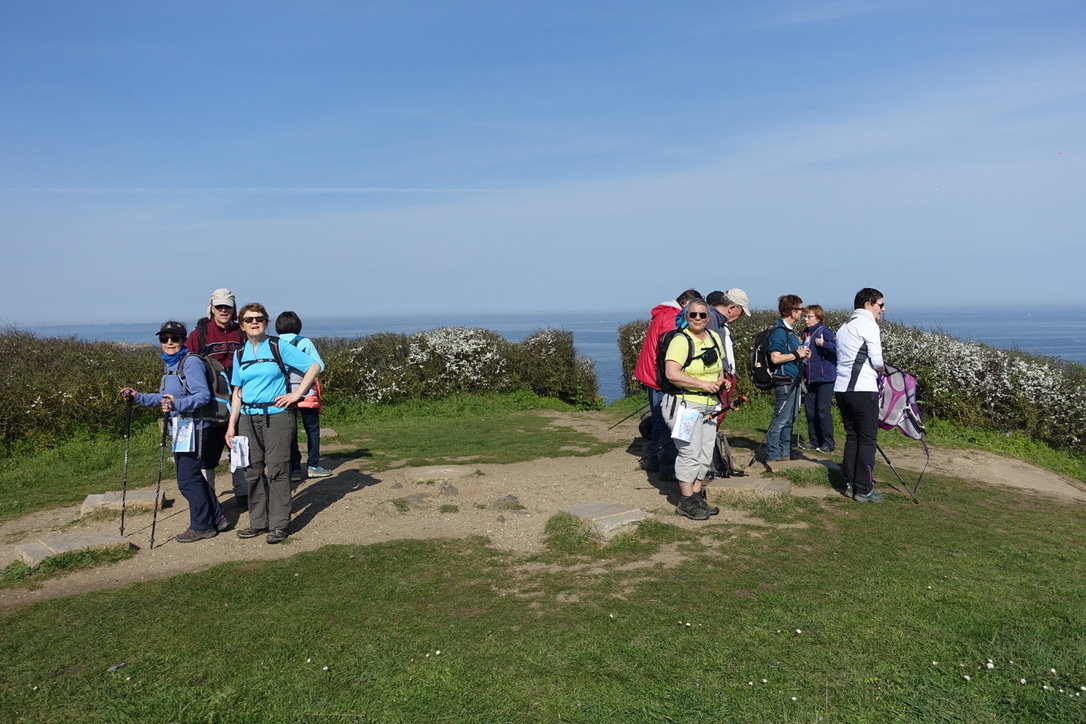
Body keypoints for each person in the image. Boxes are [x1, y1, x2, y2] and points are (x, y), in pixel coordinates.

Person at [120, 321, 229, 542]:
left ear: (183, 340)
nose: (169, 342)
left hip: (194, 429)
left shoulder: (190, 363)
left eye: (175, 338)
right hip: (182, 429)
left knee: (187, 480)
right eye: (164, 338)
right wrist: (138, 396)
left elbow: (202, 395)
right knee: (193, 477)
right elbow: (166, 399)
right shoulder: (171, 365)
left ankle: (202, 526)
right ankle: (218, 517)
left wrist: (177, 403)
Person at [226, 303, 321, 544]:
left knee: (278, 469)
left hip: (277, 415)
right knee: (252, 470)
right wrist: (231, 425)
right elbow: (237, 391)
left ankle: (278, 525)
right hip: (247, 418)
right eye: (249, 319)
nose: (254, 322)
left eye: (259, 318)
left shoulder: (278, 346)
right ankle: (258, 522)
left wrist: (296, 394)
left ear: (266, 322)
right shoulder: (239, 354)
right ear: (241, 325)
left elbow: (314, 366)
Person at [663, 298, 728, 520]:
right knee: (688, 452)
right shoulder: (680, 341)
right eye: (693, 315)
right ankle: (686, 500)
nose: (698, 319)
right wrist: (702, 384)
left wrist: (721, 381)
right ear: (686, 317)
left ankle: (697, 496)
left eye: (702, 315)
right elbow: (672, 373)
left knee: (705, 452)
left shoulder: (714, 337)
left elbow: (718, 367)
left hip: (709, 406)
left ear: (708, 317)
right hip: (684, 406)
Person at [184, 288, 248, 508]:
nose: (223, 311)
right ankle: (209, 499)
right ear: (211, 308)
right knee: (208, 451)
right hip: (210, 402)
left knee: (238, 444)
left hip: (239, 398)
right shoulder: (200, 333)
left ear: (233, 309)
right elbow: (187, 362)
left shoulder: (241, 332)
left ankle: (243, 492)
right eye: (219, 306)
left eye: (227, 307)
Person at [633, 288, 702, 479]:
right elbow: (669, 351)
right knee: (667, 422)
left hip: (651, 373)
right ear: (686, 304)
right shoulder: (672, 318)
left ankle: (654, 461)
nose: (696, 316)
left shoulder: (663, 313)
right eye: (693, 311)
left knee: (660, 420)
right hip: (660, 377)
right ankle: (666, 467)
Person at [834, 288, 888, 503]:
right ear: (868, 304)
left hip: (842, 388)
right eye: (880, 305)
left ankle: (850, 484)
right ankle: (864, 488)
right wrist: (884, 370)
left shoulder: (844, 326)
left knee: (852, 436)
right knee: (867, 440)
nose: (883, 309)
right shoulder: (868, 324)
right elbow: (877, 360)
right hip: (863, 388)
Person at [274, 311, 330, 482]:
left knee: (290, 432)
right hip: (306, 394)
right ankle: (313, 466)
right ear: (297, 325)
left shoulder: (273, 343)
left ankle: (295, 469)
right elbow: (320, 366)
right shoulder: (304, 342)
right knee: (312, 430)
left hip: (283, 394)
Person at [765, 294, 812, 462]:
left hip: (793, 378)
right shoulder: (780, 331)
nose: (802, 312)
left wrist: (800, 353)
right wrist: (797, 354)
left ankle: (785, 454)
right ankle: (773, 455)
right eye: (801, 309)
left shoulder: (789, 331)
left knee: (789, 419)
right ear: (793, 311)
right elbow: (775, 357)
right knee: (780, 418)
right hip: (784, 379)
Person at [800, 305, 837, 453]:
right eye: (805, 316)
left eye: (809, 316)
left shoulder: (825, 331)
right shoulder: (805, 333)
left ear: (818, 318)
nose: (806, 319)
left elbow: (838, 348)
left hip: (825, 377)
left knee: (823, 410)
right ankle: (814, 441)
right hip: (811, 377)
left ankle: (828, 443)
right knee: (810, 410)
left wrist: (823, 344)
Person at [705, 288, 751, 376]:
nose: (740, 316)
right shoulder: (711, 319)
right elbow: (708, 350)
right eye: (741, 312)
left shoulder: (718, 320)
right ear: (732, 308)